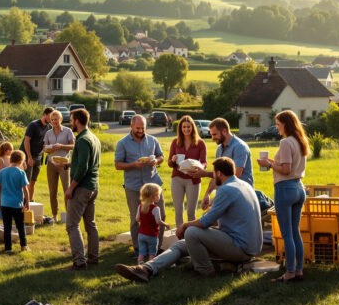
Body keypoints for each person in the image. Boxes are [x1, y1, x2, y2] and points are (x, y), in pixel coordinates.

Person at [115, 157, 262, 282]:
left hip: (241, 247)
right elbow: (217, 219)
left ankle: (205, 270)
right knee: (180, 245)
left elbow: (206, 222)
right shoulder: (243, 184)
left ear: (218, 173)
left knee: (191, 232)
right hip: (250, 245)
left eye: (213, 174)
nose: (212, 177)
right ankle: (146, 269)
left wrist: (185, 225)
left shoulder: (226, 189)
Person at [257, 110, 309, 283]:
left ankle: (290, 272)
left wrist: (269, 166)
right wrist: (271, 162)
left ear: (286, 124)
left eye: (278, 124)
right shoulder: (300, 140)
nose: (277, 128)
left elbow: (286, 169)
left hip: (285, 189)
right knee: (295, 232)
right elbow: (289, 166)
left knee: (287, 234)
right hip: (299, 188)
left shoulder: (285, 142)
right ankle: (299, 270)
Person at [115, 114, 165, 255]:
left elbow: (161, 156)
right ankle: (139, 249)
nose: (141, 131)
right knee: (135, 219)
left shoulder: (153, 140)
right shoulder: (122, 143)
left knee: (161, 215)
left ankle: (157, 247)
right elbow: (118, 165)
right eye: (138, 128)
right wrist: (133, 164)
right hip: (133, 186)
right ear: (131, 126)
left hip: (153, 184)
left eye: (143, 128)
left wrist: (156, 161)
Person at [63, 108, 100, 271]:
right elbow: (88, 162)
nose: (70, 123)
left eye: (71, 120)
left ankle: (79, 262)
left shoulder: (83, 140)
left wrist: (70, 188)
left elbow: (84, 167)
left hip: (82, 188)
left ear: (77, 121)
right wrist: (70, 164)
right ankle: (93, 257)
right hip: (93, 186)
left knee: (72, 225)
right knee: (90, 224)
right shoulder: (93, 137)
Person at [199, 118, 253, 209]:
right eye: (211, 135)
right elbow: (216, 176)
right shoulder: (219, 149)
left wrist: (205, 173)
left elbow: (236, 174)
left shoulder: (239, 147)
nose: (212, 138)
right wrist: (207, 194)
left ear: (224, 131)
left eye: (214, 134)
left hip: (241, 196)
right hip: (226, 195)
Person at [167, 115, 207, 227]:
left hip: (193, 180)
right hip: (177, 179)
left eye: (188, 126)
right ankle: (179, 234)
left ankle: (190, 234)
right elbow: (169, 163)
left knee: (191, 212)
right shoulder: (175, 142)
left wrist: (201, 167)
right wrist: (173, 160)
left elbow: (204, 162)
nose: (186, 129)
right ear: (180, 128)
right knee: (178, 211)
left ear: (192, 127)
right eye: (184, 127)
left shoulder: (200, 143)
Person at [0, 150, 30, 252]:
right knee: (20, 226)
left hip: (5, 204)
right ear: (20, 162)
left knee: (7, 227)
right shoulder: (21, 173)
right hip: (17, 204)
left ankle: (8, 248)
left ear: (10, 159)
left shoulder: (2, 172)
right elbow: (25, 189)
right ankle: (24, 246)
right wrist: (27, 202)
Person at [43, 109, 75, 222]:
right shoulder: (48, 133)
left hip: (64, 164)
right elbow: (44, 148)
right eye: (52, 120)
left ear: (60, 119)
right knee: (52, 191)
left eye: (56, 119)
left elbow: (73, 146)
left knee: (67, 189)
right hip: (51, 164)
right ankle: (54, 216)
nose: (54, 122)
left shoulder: (67, 131)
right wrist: (50, 149)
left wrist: (61, 146)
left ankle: (69, 215)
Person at [21, 107, 54, 203]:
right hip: (28, 156)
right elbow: (26, 141)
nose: (52, 119)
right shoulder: (33, 125)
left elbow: (46, 143)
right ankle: (24, 203)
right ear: (44, 114)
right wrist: (29, 157)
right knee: (26, 181)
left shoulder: (49, 127)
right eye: (50, 116)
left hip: (38, 157)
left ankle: (31, 202)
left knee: (33, 181)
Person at [135, 183, 169, 263]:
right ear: (152, 196)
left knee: (141, 253)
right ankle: (150, 267)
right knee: (152, 253)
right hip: (152, 235)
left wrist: (145, 220)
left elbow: (137, 219)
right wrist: (165, 224)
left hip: (141, 234)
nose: (159, 196)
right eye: (157, 195)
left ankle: (139, 266)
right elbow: (158, 221)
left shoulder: (140, 206)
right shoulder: (155, 208)